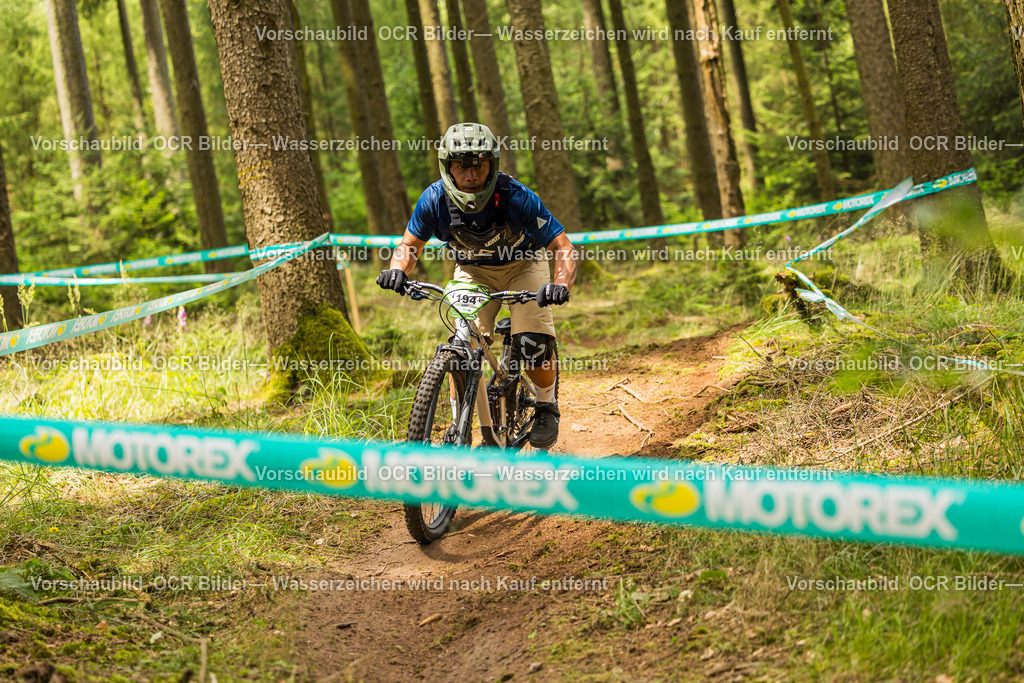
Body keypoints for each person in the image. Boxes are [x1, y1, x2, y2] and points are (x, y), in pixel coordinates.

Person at [376, 122, 577, 449]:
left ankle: (545, 405)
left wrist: (560, 284)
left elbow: (563, 248)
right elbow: (409, 245)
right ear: (448, 168)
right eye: (461, 166)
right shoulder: (435, 200)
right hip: (473, 271)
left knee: (533, 342)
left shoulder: (516, 197)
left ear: (491, 165)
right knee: (463, 345)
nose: (470, 176)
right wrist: (397, 269)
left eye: (478, 166)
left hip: (523, 266)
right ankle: (461, 422)